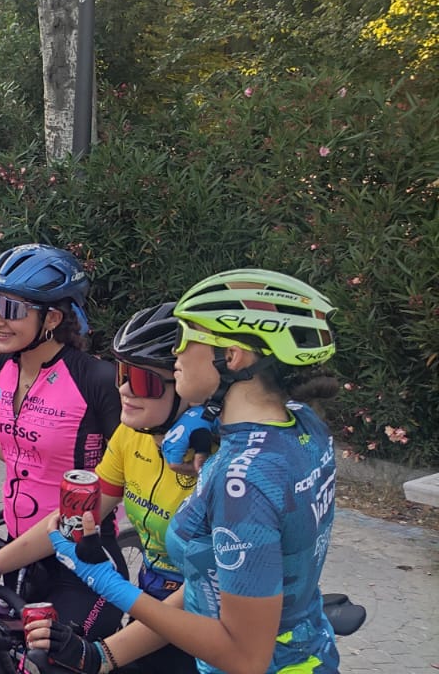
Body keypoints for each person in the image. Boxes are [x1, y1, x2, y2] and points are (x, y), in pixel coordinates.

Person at [25, 269, 342, 674]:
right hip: (310, 648)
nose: (175, 354)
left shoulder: (241, 483)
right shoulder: (304, 425)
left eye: (186, 337)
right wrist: (206, 422)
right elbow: (214, 581)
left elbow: (245, 657)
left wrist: (108, 583)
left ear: (232, 357)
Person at [0, 303, 198, 674]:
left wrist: (102, 655)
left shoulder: (217, 464)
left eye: (143, 381)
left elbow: (204, 592)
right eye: (122, 373)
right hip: (154, 605)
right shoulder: (130, 437)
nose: (123, 389)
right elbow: (68, 518)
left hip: (207, 622)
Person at [0, 243, 124, 641]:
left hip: (82, 562)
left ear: (52, 317)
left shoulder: (97, 380)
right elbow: (11, 444)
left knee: (55, 662)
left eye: (11, 310)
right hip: (21, 552)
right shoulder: (7, 365)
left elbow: (135, 466)